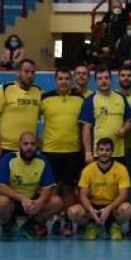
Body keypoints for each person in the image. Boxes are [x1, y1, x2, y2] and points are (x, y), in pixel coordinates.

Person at [0, 132, 64, 241]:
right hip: (13, 201)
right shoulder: (9, 159)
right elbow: (0, 186)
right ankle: (6, 226)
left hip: (32, 203)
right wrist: (22, 198)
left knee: (57, 202)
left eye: (32, 144)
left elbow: (48, 187)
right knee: (0, 202)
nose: (29, 147)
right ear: (19, 145)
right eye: (26, 144)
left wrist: (40, 201)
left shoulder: (42, 160)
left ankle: (30, 226)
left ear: (36, 146)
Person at [39, 69, 84, 234]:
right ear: (55, 80)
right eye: (60, 79)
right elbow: (31, 120)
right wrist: (37, 142)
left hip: (73, 151)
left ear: (71, 81)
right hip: (50, 152)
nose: (63, 82)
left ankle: (67, 223)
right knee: (50, 190)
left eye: (67, 79)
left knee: (69, 190)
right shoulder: (45, 98)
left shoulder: (80, 99)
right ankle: (44, 223)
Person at [70, 137, 131, 240]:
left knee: (127, 208)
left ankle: (115, 226)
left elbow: (124, 195)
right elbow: (82, 195)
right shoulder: (88, 170)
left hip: (112, 207)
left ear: (112, 152)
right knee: (73, 212)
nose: (104, 153)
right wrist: (91, 210)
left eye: (107, 150)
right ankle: (91, 226)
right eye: (101, 150)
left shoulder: (121, 169)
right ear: (97, 151)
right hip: (93, 206)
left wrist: (109, 208)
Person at [0, 59, 42, 179]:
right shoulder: (4, 89)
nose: (30, 75)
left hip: (28, 150)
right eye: (26, 71)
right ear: (18, 72)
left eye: (33, 72)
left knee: (25, 187)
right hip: (5, 148)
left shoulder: (39, 91)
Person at [79, 69, 131, 168]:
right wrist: (88, 152)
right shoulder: (90, 100)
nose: (103, 81)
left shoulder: (121, 97)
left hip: (119, 153)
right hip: (99, 153)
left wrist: (125, 129)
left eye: (106, 78)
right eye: (100, 78)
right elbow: (86, 128)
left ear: (111, 80)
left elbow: (128, 120)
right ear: (95, 81)